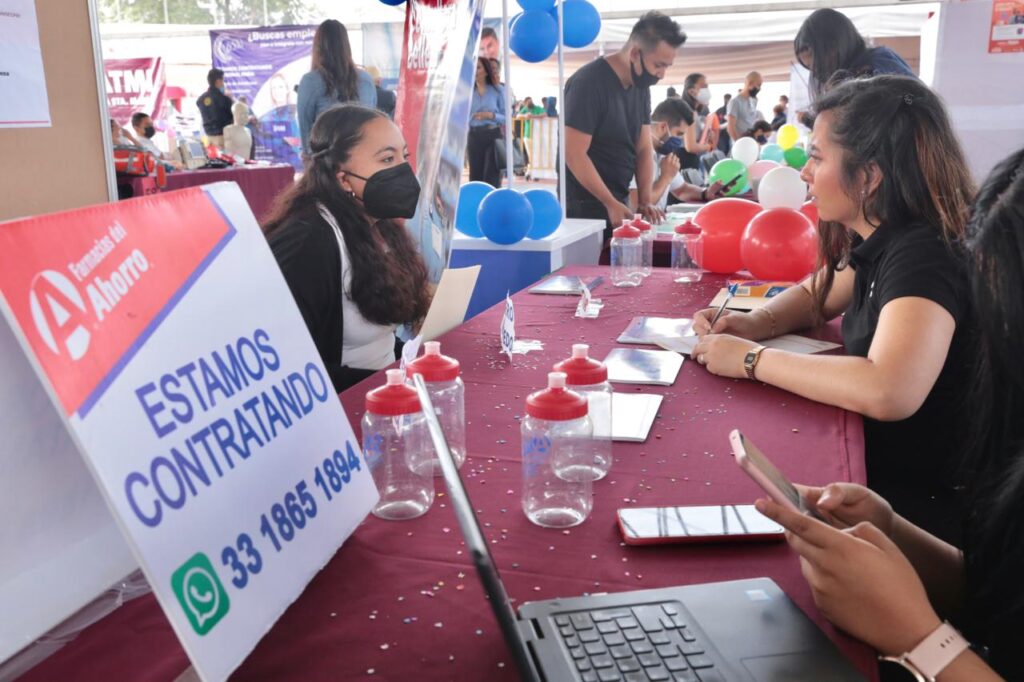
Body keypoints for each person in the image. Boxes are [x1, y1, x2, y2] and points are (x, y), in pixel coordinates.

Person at [754, 148, 1024, 681]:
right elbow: (1002, 599)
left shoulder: (922, 253)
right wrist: (893, 530)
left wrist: (917, 638)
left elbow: (889, 389)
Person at [691, 76, 976, 544]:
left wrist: (751, 360)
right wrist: (756, 323)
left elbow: (889, 389)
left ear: (869, 176)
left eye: (817, 157)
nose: (804, 172)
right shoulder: (886, 234)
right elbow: (816, 293)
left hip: (929, 510)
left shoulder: (923, 253)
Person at [263, 104, 430, 393]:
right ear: (343, 178)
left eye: (404, 156)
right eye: (387, 159)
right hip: (341, 411)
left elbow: (380, 342)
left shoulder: (380, 227)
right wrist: (387, 385)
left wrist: (410, 362)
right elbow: (287, 367)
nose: (403, 170)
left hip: (384, 396)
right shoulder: (308, 243)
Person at [564, 11, 687, 237]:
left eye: (667, 67)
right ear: (634, 53)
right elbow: (574, 154)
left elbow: (643, 148)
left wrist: (645, 200)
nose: (661, 74)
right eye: (659, 65)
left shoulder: (641, 88)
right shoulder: (588, 83)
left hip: (618, 200)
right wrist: (609, 202)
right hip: (585, 206)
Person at [795, 8, 915, 101]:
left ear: (834, 46)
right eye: (811, 69)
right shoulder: (846, 78)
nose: (817, 73)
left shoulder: (878, 62)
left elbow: (912, 99)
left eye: (818, 65)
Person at [298, 19, 377, 157]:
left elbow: (306, 129)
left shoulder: (310, 81)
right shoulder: (366, 80)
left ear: (317, 47)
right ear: (346, 45)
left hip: (326, 163)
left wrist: (309, 160)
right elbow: (373, 120)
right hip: (362, 160)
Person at [628, 98, 724, 211]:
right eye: (679, 134)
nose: (680, 140)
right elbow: (635, 206)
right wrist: (665, 177)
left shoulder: (663, 154)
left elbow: (681, 190)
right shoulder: (634, 154)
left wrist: (705, 193)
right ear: (663, 127)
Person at [467, 57, 506, 188]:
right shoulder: (468, 92)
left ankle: (492, 205)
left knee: (491, 176)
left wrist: (491, 115)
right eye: (473, 67)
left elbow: (507, 117)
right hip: (473, 136)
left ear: (486, 71)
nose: (475, 71)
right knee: (475, 177)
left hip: (492, 135)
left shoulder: (498, 90)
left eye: (478, 67)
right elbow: (461, 115)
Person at [258, 73, 302, 169]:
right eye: (274, 88)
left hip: (295, 165)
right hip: (274, 164)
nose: (277, 91)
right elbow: (266, 143)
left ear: (287, 89)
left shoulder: (296, 112)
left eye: (280, 87)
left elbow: (299, 142)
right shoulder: (267, 117)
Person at [679, 72, 718, 173]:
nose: (707, 90)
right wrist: (709, 146)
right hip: (684, 160)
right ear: (691, 91)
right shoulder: (688, 111)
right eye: (704, 86)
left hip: (689, 159)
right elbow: (690, 147)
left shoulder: (695, 112)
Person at [196, 68, 234, 149]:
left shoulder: (201, 99)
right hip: (222, 138)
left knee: (212, 161)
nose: (223, 84)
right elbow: (232, 118)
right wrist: (232, 100)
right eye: (223, 80)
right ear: (218, 81)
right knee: (224, 161)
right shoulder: (224, 99)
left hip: (208, 139)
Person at [726, 71, 763, 142]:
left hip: (751, 141)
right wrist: (739, 143)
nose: (759, 88)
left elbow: (751, 121)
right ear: (750, 83)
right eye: (758, 85)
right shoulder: (735, 102)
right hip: (740, 144)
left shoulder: (754, 101)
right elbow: (730, 128)